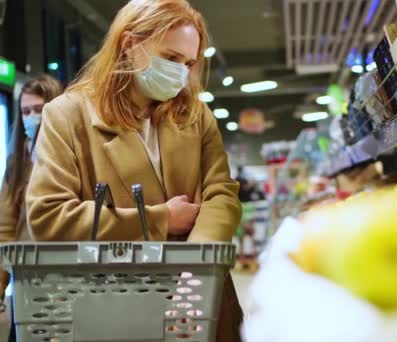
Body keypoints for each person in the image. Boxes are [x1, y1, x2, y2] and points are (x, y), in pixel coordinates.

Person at [25, 0, 243, 340]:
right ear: (129, 44)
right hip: (114, 306)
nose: (181, 73)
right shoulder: (68, 116)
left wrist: (197, 271)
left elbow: (222, 194)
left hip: (200, 302)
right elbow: (48, 217)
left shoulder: (196, 116)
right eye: (171, 58)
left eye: (188, 63)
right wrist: (162, 220)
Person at [0, 75, 63, 299]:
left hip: (66, 274)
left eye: (39, 109)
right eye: (25, 111)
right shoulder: (17, 162)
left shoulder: (72, 155)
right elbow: (5, 228)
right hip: (26, 274)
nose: (32, 117)